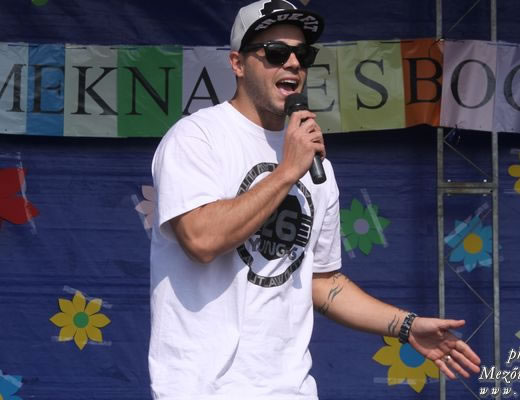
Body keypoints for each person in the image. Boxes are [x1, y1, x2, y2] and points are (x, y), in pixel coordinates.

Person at [149, 0, 481, 398]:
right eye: (275, 52)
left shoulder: (313, 160)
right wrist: (287, 171)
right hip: (202, 388)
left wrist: (405, 325)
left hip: (291, 388)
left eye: (302, 54)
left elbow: (322, 282)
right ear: (238, 63)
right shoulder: (196, 138)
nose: (292, 63)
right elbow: (201, 239)